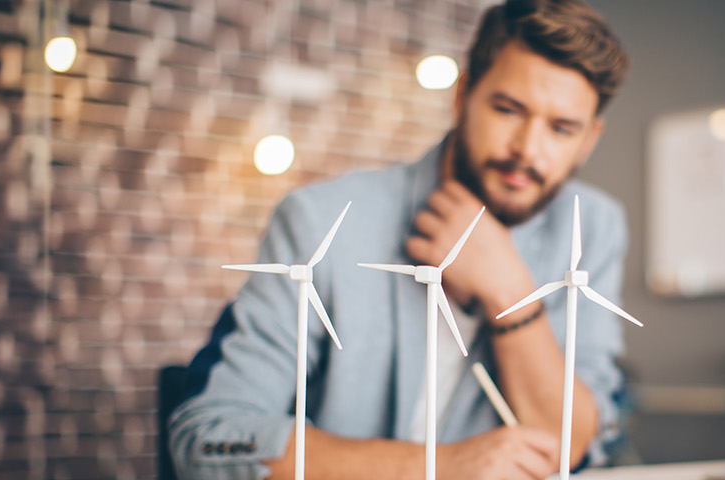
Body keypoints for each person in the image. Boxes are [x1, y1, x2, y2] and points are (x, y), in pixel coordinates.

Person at [169, 1, 630, 478]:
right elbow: (210, 439)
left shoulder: (591, 226)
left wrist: (510, 292)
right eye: (508, 109)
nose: (528, 150)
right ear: (462, 95)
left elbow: (571, 446)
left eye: (562, 128)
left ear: (588, 140)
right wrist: (439, 468)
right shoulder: (320, 219)